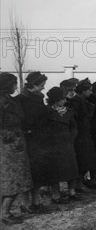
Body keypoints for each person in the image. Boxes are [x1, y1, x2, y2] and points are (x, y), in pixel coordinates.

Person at [0, 73, 33, 224]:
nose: (15, 87)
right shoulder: (2, 101)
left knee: (12, 180)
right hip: (8, 146)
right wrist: (10, 136)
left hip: (15, 144)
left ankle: (4, 212)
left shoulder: (9, 99)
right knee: (13, 180)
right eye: (13, 84)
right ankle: (5, 214)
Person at [15, 71, 50, 210]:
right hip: (28, 141)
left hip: (40, 140)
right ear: (34, 85)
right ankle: (25, 203)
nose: (43, 88)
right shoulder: (20, 99)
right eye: (41, 85)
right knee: (28, 172)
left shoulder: (38, 98)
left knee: (38, 172)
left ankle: (36, 201)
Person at [45, 87, 81, 203]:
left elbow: (74, 127)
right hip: (53, 145)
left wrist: (71, 139)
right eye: (62, 99)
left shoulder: (69, 112)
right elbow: (44, 128)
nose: (65, 101)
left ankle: (72, 191)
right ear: (55, 99)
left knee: (71, 168)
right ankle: (56, 195)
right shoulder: (47, 112)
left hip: (67, 144)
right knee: (55, 171)